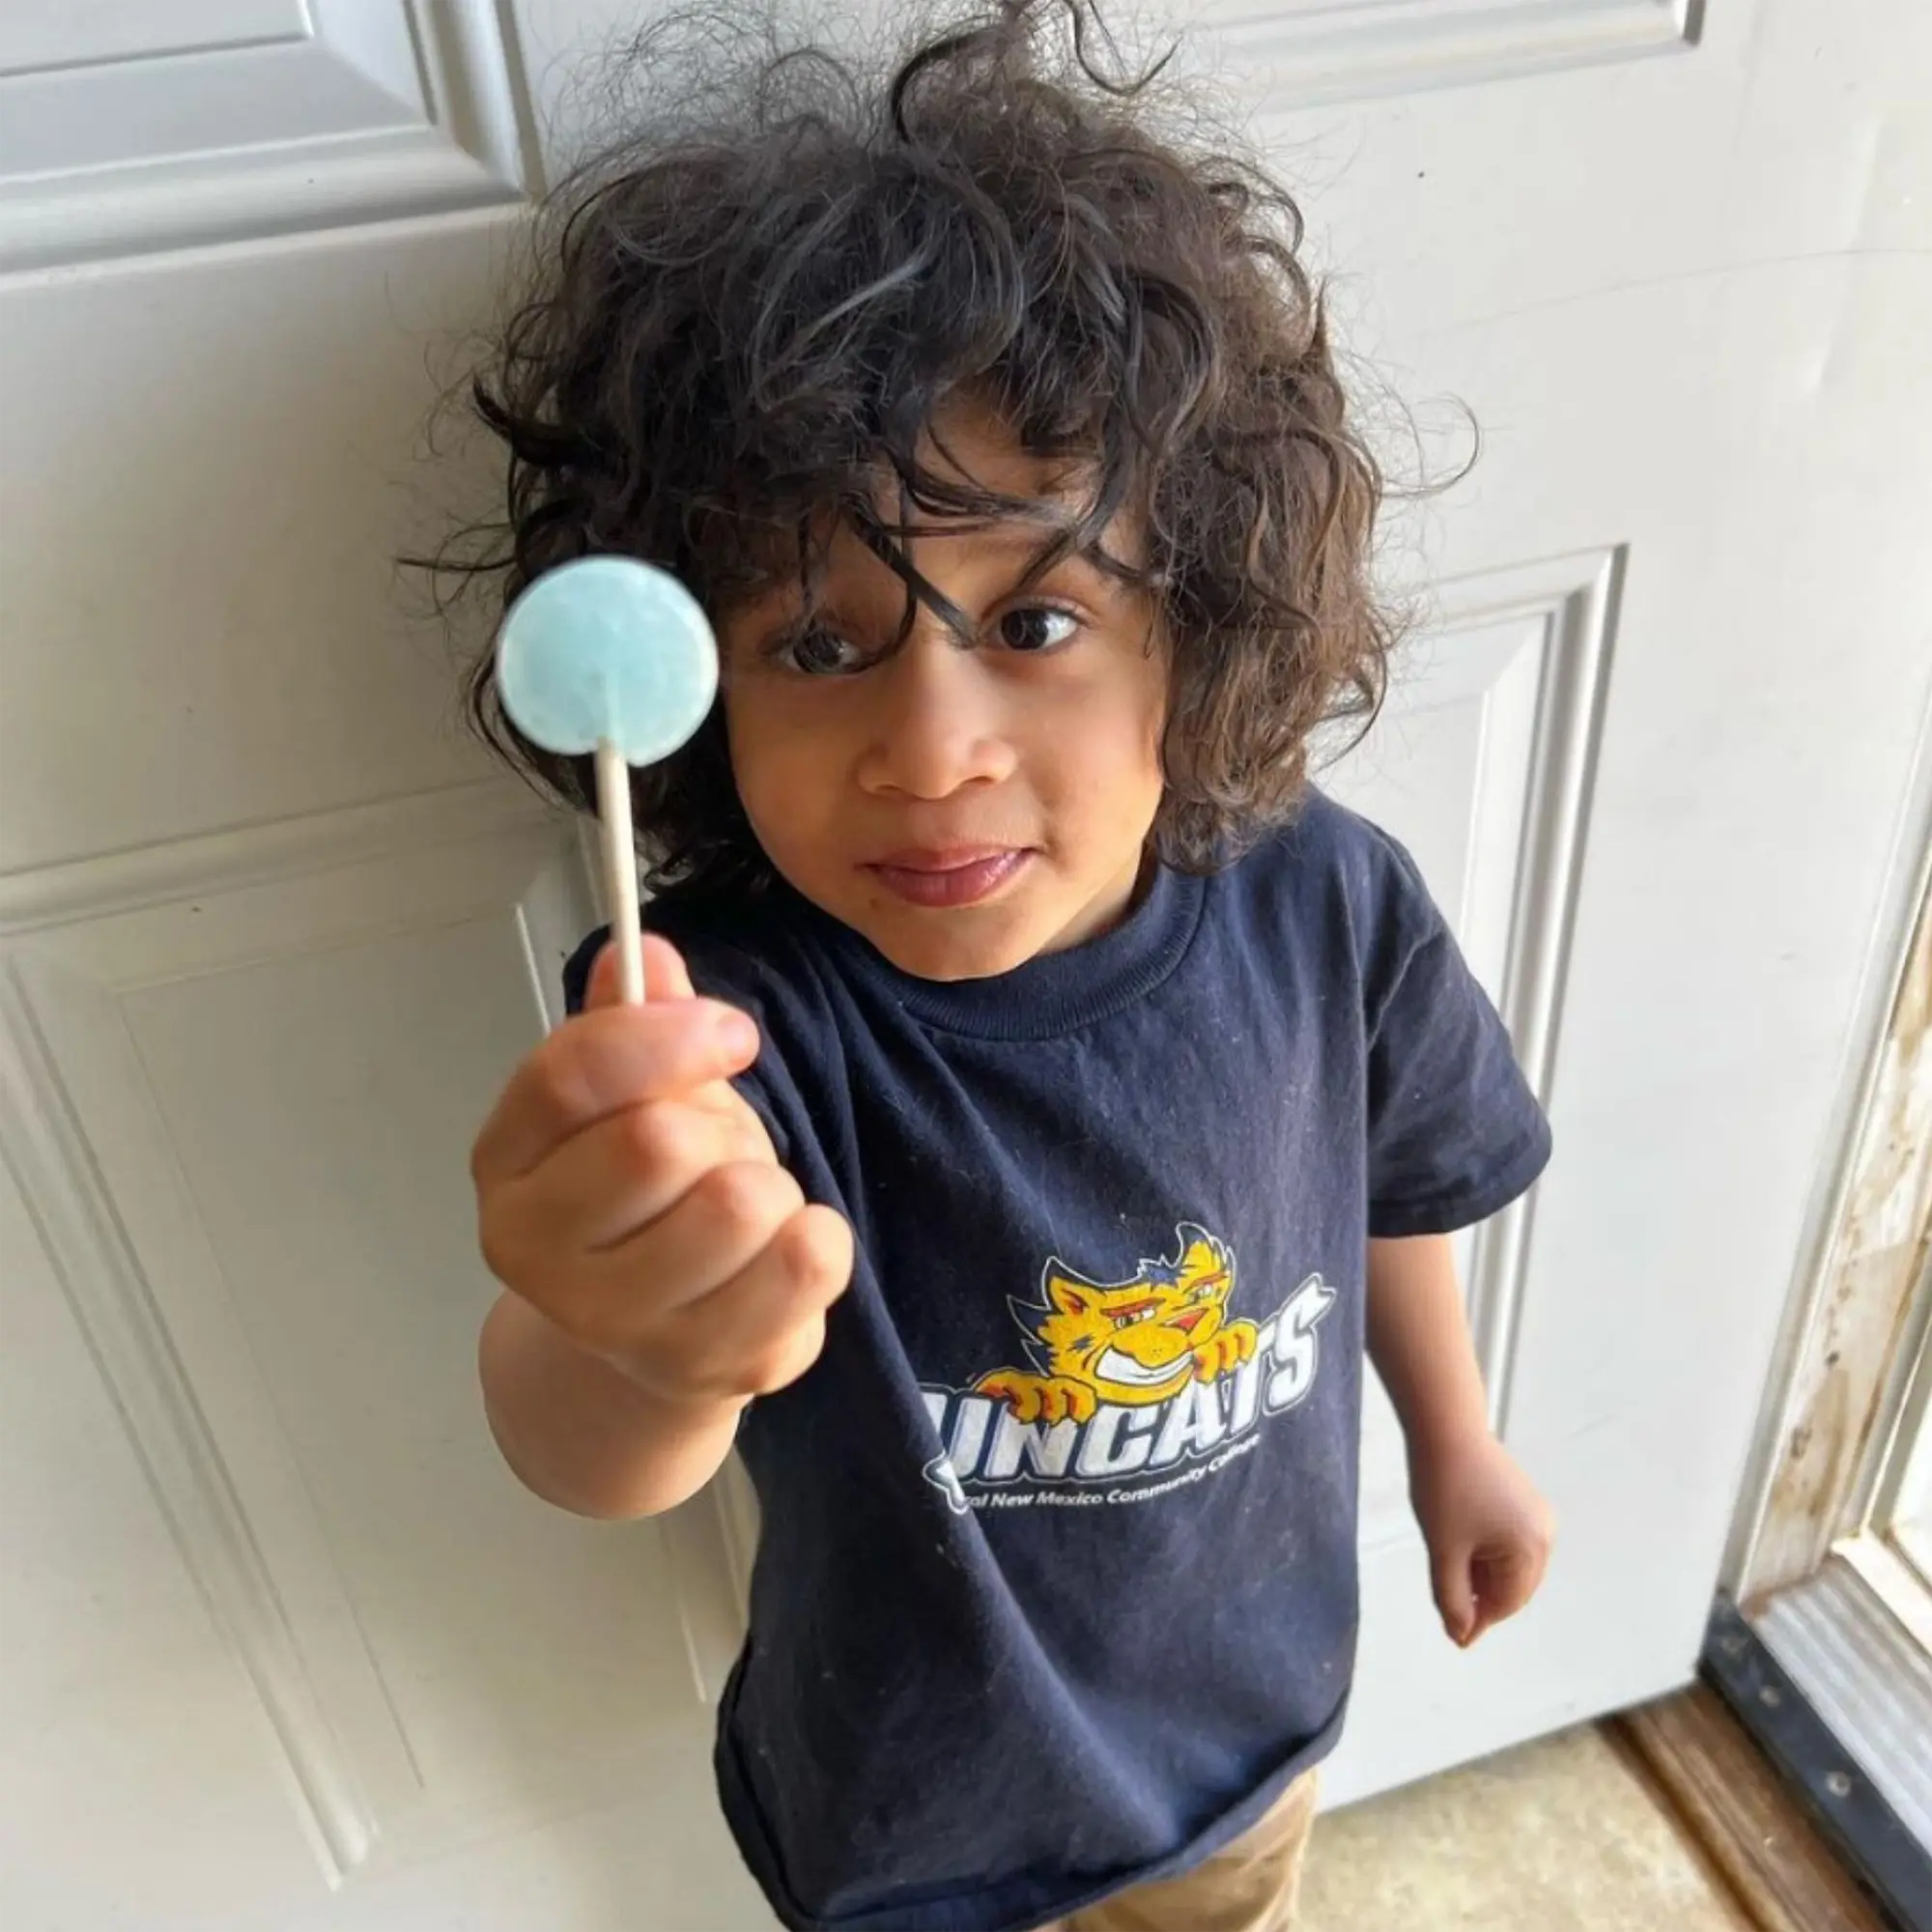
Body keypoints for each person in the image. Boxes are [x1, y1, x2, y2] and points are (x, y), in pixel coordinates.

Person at [453, 5, 1555, 1928]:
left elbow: (1403, 1184)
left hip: (1247, 1753)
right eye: (819, 644)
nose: (933, 744)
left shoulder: (1326, 902)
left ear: (1192, 629)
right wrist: (629, 1335)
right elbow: (592, 1452)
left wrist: (1455, 1441)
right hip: (913, 1841)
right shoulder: (709, 1018)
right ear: (704, 689)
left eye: (1032, 615)